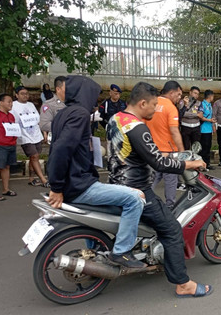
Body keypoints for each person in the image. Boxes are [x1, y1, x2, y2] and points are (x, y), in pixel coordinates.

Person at [107, 81, 212, 298]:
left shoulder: (116, 119)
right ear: (143, 103)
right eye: (154, 105)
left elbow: (141, 155)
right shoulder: (138, 127)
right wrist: (190, 164)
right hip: (137, 191)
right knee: (172, 230)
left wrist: (171, 156)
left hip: (116, 185)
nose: (156, 109)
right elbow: (159, 164)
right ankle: (183, 284)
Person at [47, 75, 147, 269]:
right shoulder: (80, 114)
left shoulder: (63, 113)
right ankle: (122, 252)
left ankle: (95, 253)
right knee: (135, 199)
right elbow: (61, 150)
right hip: (79, 185)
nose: (95, 101)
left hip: (75, 181)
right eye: (94, 96)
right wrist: (56, 186)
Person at [148, 81, 185, 210]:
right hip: (168, 151)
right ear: (171, 92)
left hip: (151, 150)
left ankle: (144, 203)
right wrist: (181, 152)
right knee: (170, 180)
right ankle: (170, 207)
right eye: (178, 94)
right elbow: (174, 131)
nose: (179, 98)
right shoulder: (170, 107)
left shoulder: (151, 104)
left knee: (151, 179)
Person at [11, 86, 49, 187]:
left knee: (35, 157)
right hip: (24, 136)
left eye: (27, 93)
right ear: (17, 95)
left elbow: (38, 119)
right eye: (22, 94)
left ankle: (32, 178)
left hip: (36, 134)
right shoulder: (13, 106)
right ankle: (43, 179)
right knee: (34, 156)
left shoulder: (31, 105)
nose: (25, 96)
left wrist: (44, 132)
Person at [39, 76, 67, 142]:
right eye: (66, 88)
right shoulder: (48, 104)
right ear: (58, 89)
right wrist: (66, 127)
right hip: (59, 141)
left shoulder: (73, 103)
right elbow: (44, 125)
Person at [197, 89, 216, 170]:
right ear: (210, 96)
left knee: (208, 147)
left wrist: (212, 126)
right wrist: (210, 121)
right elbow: (200, 116)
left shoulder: (209, 105)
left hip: (209, 129)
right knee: (204, 148)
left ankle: (207, 163)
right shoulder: (202, 104)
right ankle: (202, 164)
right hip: (203, 129)